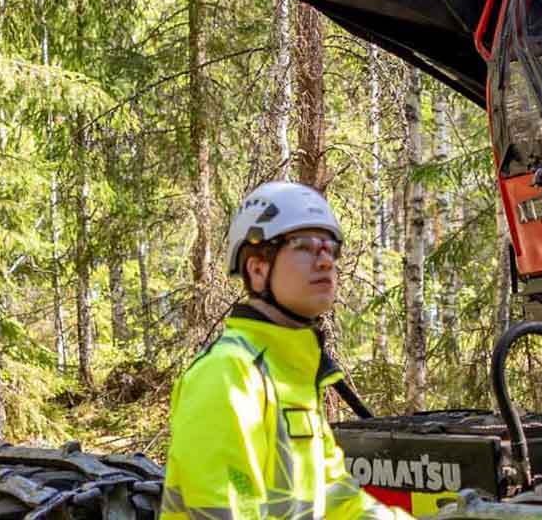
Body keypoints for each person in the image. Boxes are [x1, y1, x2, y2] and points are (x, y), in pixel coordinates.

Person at [162, 182, 407, 520]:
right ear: (258, 269)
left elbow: (339, 501)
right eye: (304, 247)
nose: (325, 262)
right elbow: (230, 510)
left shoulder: (294, 376)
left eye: (330, 248)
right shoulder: (229, 374)